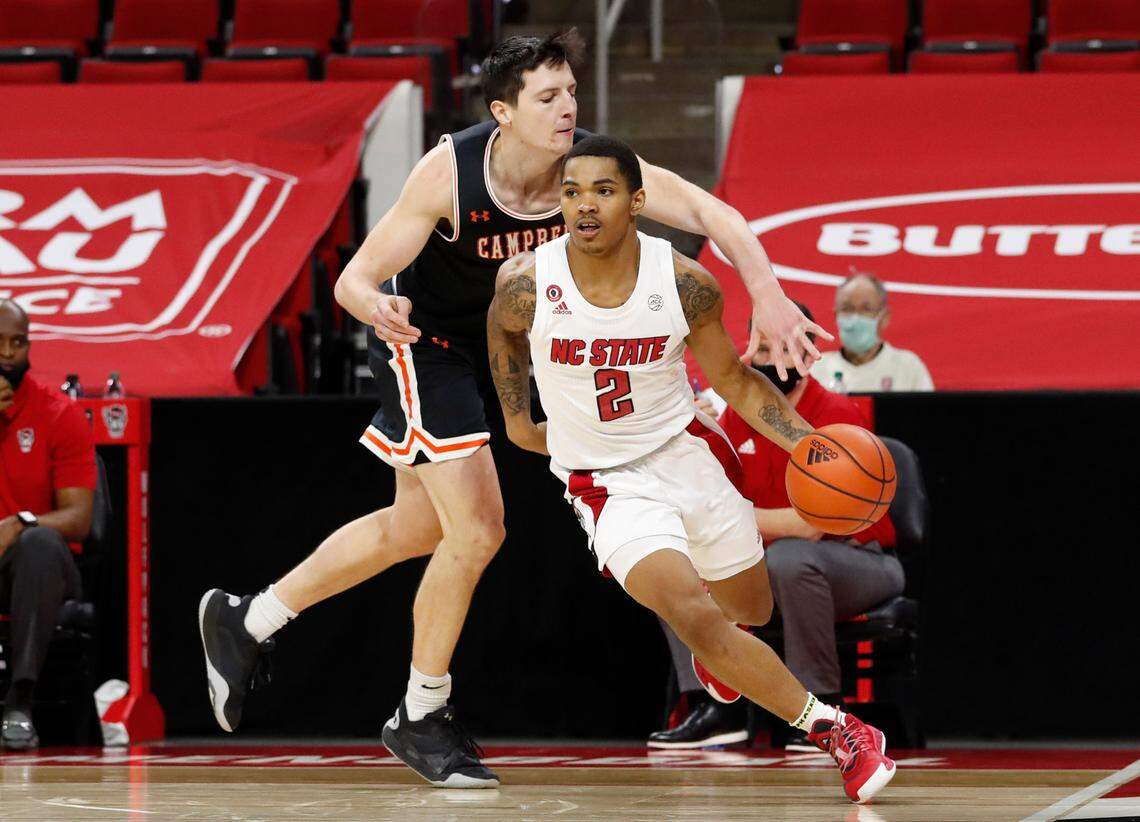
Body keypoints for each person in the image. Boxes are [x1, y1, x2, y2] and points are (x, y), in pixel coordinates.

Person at [199, 30, 827, 790]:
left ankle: (249, 618)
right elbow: (354, 280)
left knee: (416, 528)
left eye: (571, 92)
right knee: (479, 527)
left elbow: (712, 212)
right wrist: (377, 307)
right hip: (426, 344)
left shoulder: (590, 167)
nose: (569, 109)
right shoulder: (451, 172)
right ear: (503, 111)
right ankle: (420, 712)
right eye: (549, 97)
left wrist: (765, 291)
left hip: (511, 350)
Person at [487, 135, 896, 804]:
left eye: (603, 191)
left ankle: (724, 653)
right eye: (572, 192)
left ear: (638, 201)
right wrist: (514, 418)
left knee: (748, 608)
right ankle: (839, 732)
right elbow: (503, 333)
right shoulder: (528, 283)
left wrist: (807, 447)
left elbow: (737, 383)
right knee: (688, 610)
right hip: (605, 483)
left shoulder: (684, 283)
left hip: (684, 455)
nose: (584, 206)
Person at [651, 307, 905, 752]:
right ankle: (714, 704)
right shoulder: (739, 413)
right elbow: (708, 494)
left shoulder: (835, 414)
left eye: (780, 348)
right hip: (772, 560)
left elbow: (808, 526)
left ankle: (820, 707)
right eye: (761, 347)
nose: (768, 359)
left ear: (806, 352)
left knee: (792, 559)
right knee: (672, 563)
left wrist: (724, 519)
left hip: (860, 561)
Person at [0, 299, 96, 750]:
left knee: (39, 544)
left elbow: (78, 519)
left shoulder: (58, 413)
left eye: (18, 343)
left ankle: (20, 702)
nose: (8, 354)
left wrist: (18, 523)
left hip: (38, 573)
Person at [811, 272, 934, 392]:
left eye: (866, 309)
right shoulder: (816, 370)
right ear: (836, 315)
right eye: (847, 308)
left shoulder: (909, 367)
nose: (855, 317)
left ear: (884, 317)